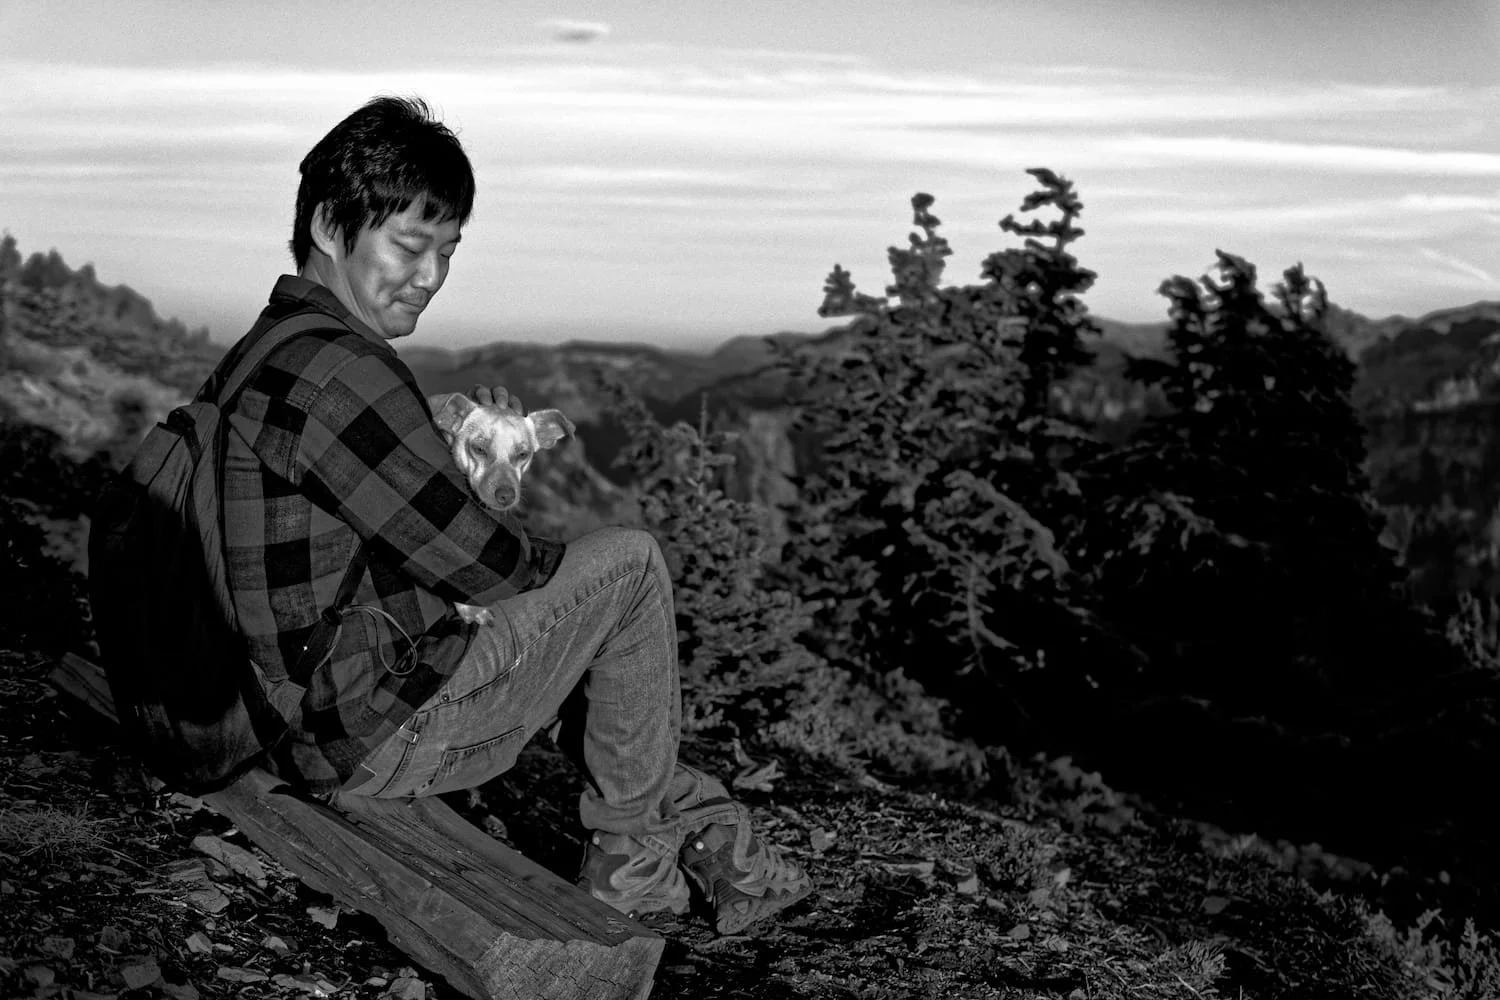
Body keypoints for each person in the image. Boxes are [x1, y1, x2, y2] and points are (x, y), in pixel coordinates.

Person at [218, 94, 812, 934]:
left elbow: (370, 529)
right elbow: (492, 569)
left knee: (587, 619)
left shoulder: (265, 350)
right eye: (409, 245)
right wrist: (526, 548)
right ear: (327, 226)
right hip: (363, 735)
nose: (429, 277)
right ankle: (639, 871)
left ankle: (706, 831)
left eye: (448, 252)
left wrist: (454, 461)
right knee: (630, 565)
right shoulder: (346, 376)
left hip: (281, 703)